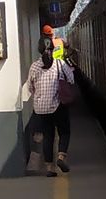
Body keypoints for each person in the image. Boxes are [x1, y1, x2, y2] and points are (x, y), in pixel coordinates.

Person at [25, 35, 74, 177]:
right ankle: (60, 158)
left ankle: (49, 169)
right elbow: (71, 79)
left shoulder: (34, 66)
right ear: (53, 49)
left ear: (39, 50)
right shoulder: (59, 63)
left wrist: (40, 95)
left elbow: (30, 87)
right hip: (58, 105)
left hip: (41, 108)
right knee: (64, 131)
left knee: (48, 136)